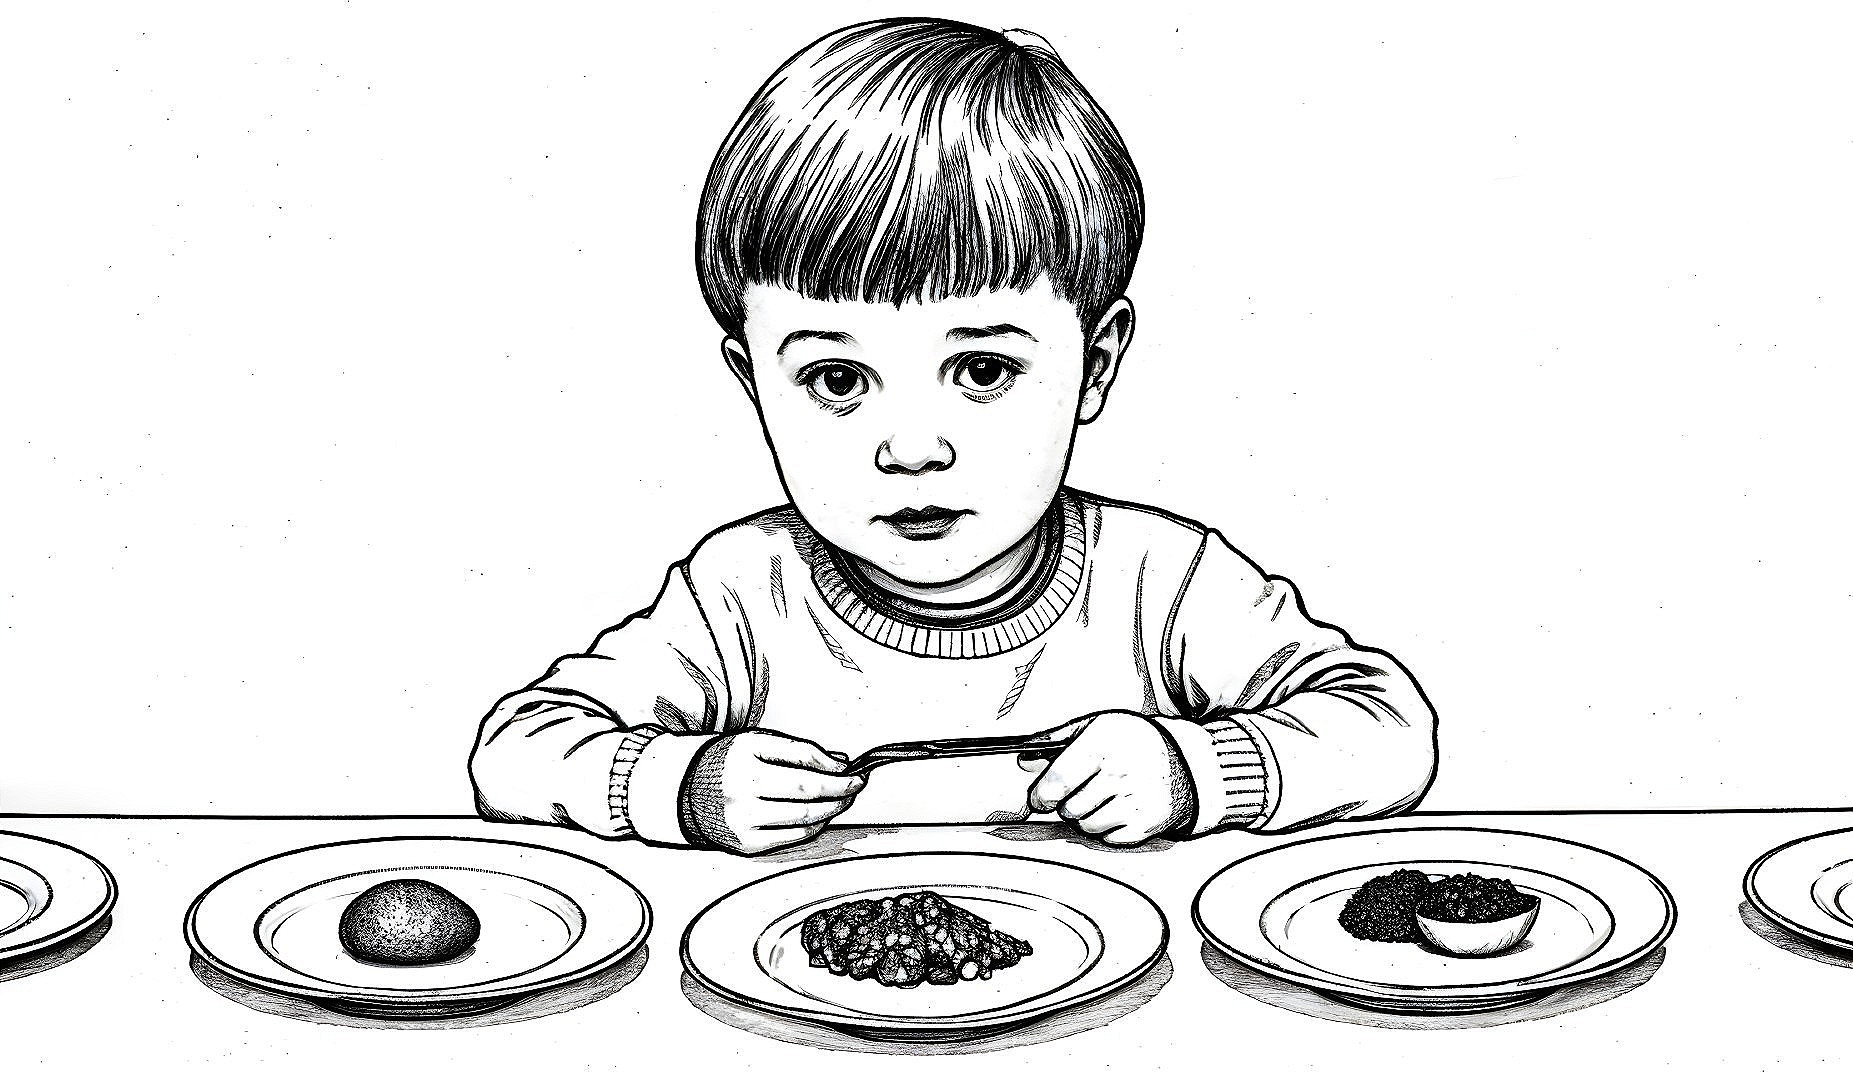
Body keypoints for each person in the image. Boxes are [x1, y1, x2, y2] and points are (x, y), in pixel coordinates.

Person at [469, 17, 1437, 854]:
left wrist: (1194, 768)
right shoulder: (741, 591)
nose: (911, 448)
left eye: (981, 371)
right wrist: (686, 786)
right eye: (836, 380)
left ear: (1094, 364)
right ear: (752, 384)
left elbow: (1387, 726)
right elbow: (515, 747)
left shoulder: (1159, 578)